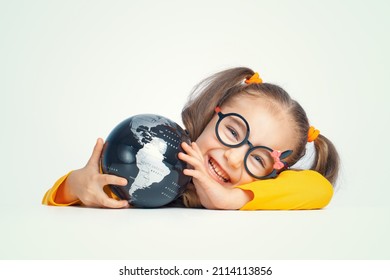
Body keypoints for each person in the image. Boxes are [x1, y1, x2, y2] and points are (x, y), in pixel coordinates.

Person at [42, 67, 339, 210]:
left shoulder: (258, 193)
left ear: (274, 173)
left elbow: (320, 188)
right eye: (233, 131)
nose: (233, 158)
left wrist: (231, 198)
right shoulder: (159, 162)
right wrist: (75, 185)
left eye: (259, 159)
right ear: (212, 114)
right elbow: (54, 201)